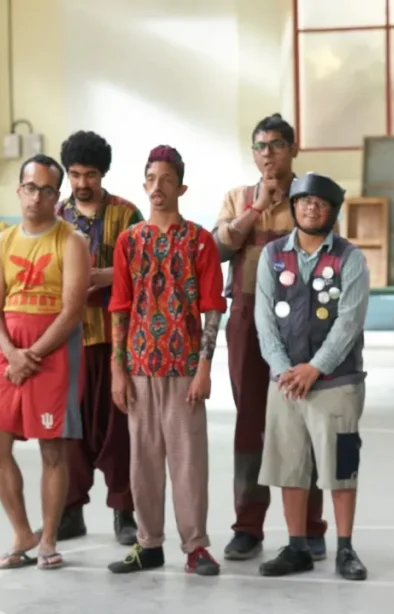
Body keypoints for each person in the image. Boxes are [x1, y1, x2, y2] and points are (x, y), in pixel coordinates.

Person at [106, 145, 227, 576]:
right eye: (151, 179)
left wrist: (204, 367)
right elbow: (120, 307)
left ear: (181, 188)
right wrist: (118, 369)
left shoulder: (199, 240)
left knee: (188, 462)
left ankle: (195, 547)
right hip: (139, 368)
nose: (158, 187)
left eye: (167, 180)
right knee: (143, 462)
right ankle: (148, 544)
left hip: (184, 368)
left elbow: (213, 308)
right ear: (144, 184)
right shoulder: (129, 241)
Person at [214, 113, 329, 562]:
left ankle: (310, 527)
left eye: (277, 145)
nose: (268, 154)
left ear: (293, 149)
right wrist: (255, 209)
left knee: (303, 420)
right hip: (247, 321)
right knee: (250, 423)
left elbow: (329, 256)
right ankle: (247, 526)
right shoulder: (237, 197)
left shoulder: (312, 198)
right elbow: (218, 249)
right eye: (260, 147)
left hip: (302, 323)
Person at [252, 173, 370, 581]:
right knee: (290, 466)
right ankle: (297, 546)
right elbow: (264, 319)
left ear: (333, 211)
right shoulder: (272, 256)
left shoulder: (350, 258)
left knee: (341, 466)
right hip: (285, 383)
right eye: (304, 201)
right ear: (294, 206)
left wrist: (315, 367)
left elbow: (349, 321)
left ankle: (346, 548)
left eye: (320, 203)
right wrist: (283, 370)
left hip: (337, 383)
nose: (311, 208)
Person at [0, 153, 91, 570]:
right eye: (30, 187)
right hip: (9, 354)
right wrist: (12, 354)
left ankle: (47, 540)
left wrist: (33, 355)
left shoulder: (71, 241)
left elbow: (72, 311)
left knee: (53, 449)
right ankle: (22, 533)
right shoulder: (2, 243)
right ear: (19, 190)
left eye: (46, 190)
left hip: (53, 354)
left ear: (57, 196)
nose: (36, 197)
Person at [55, 131, 144, 545]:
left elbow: (146, 267)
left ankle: (124, 513)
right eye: (75, 174)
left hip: (115, 339)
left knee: (118, 429)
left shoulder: (126, 214)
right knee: (70, 430)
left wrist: (102, 276)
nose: (82, 183)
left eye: (89, 174)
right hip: (68, 340)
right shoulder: (56, 216)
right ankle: (70, 511)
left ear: (103, 173)